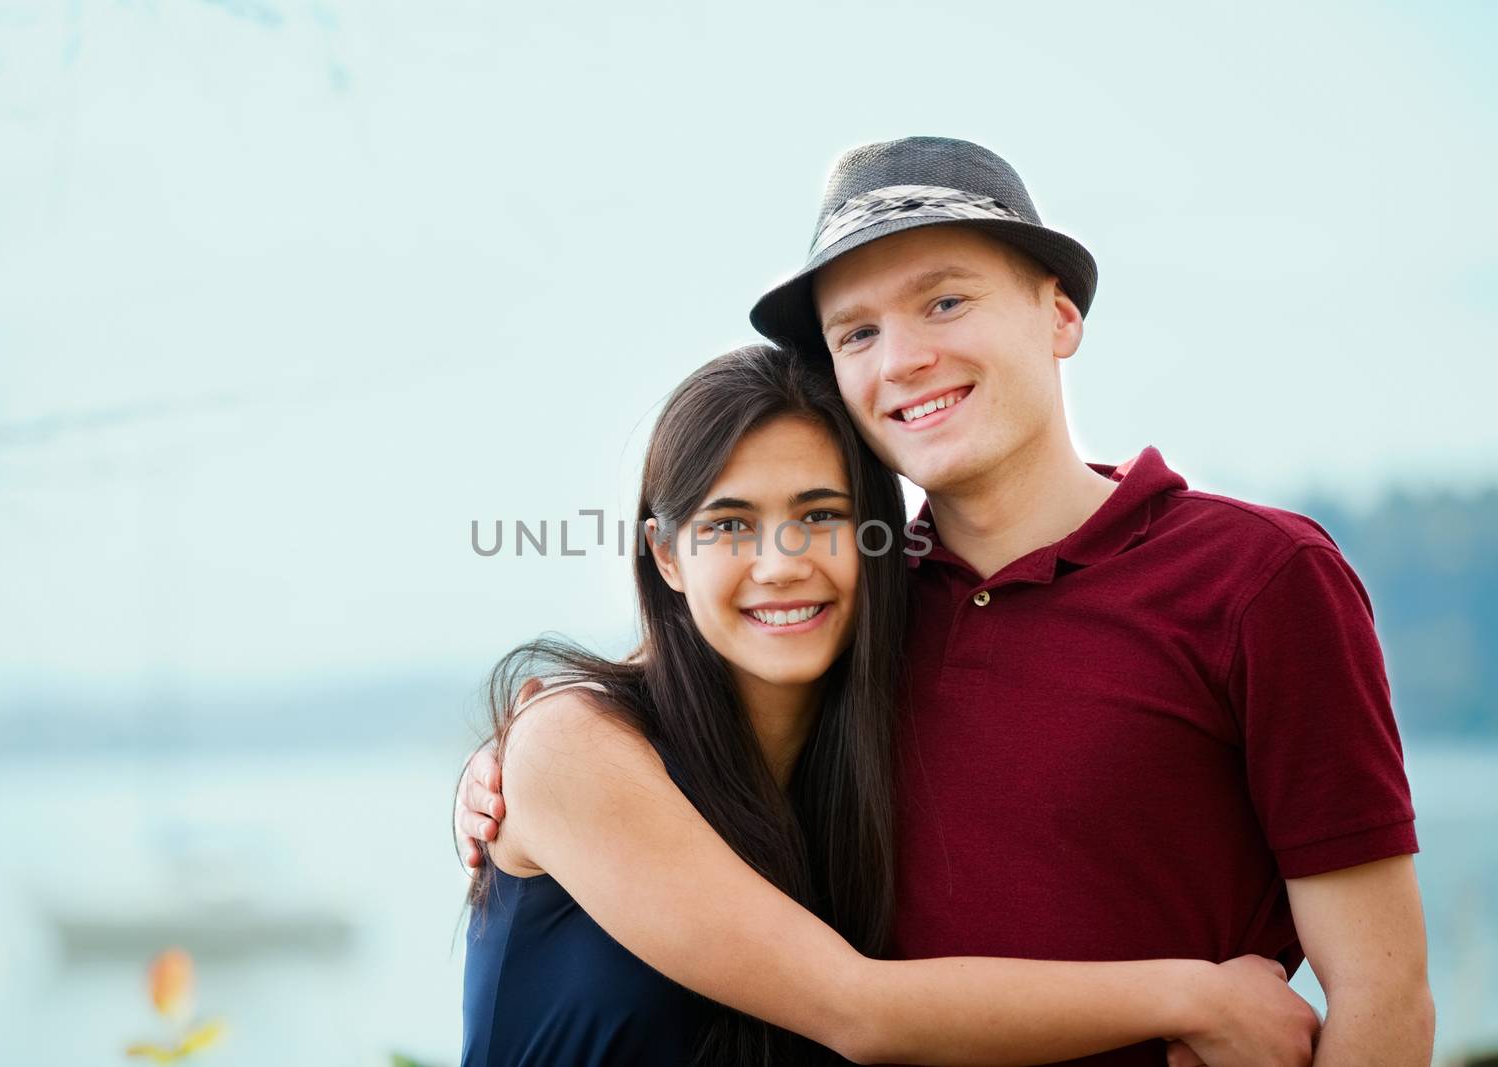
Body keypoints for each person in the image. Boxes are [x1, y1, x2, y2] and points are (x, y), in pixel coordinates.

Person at [460, 137, 1436, 1066]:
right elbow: (672, 714)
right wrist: (517, 762)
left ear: (1059, 315)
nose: (902, 359)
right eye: (858, 332)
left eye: (945, 301)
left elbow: (1382, 994)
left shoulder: (1256, 579)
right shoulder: (861, 613)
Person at [461, 342, 1318, 1067]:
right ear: (667, 555)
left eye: (821, 515)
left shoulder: (868, 755)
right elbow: (855, 1008)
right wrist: (1195, 994)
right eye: (729, 525)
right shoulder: (574, 743)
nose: (781, 561)